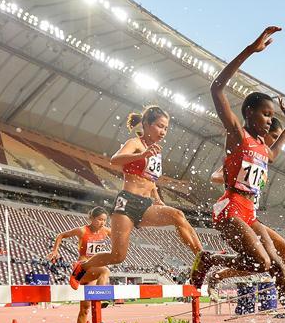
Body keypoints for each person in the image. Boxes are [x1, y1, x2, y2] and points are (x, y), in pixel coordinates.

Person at [191, 26, 285, 323]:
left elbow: (274, 154)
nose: (268, 121)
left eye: (271, 117)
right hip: (230, 208)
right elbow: (216, 88)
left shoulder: (264, 149)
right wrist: (250, 50)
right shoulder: (238, 135)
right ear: (249, 112)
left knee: (276, 266)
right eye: (265, 114)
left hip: (250, 213)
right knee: (264, 262)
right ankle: (210, 259)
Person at [69, 107, 203, 289]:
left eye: (166, 128)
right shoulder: (135, 143)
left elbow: (151, 180)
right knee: (118, 256)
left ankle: (202, 257)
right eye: (159, 126)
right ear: (146, 124)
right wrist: (141, 154)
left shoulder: (157, 151)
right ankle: (82, 267)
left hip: (146, 205)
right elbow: (114, 160)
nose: (163, 132)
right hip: (127, 204)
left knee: (177, 215)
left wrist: (158, 199)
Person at [206, 117, 285, 304]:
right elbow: (215, 176)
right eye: (273, 137)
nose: (275, 142)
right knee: (265, 260)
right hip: (236, 212)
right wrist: (234, 179)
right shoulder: (247, 151)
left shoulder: (263, 159)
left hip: (251, 214)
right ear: (264, 133)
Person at [50, 207, 112, 323]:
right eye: (99, 219)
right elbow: (61, 235)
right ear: (92, 218)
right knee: (105, 271)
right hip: (83, 266)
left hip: (92, 272)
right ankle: (101, 298)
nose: (102, 222)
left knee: (85, 309)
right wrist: (55, 250)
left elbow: (119, 239)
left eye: (104, 220)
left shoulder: (106, 231)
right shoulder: (82, 230)